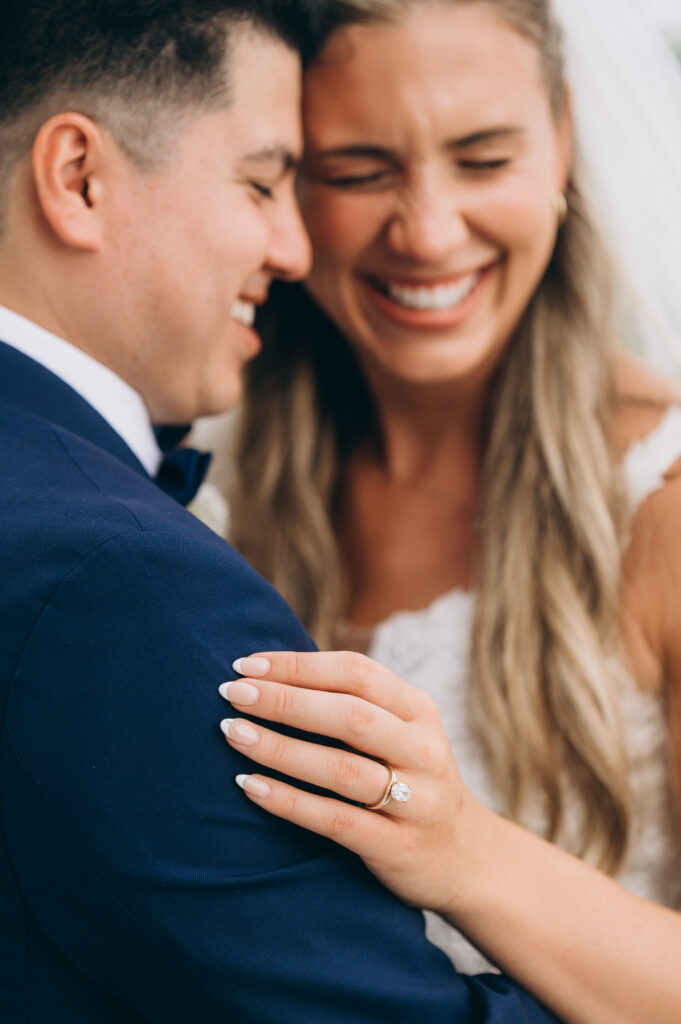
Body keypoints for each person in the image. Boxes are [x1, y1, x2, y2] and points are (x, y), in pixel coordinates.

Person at [0, 2, 560, 1022]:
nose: (294, 247)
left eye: (483, 157)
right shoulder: (123, 575)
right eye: (267, 182)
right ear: (78, 177)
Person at [206, 1, 681, 1022]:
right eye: (359, 169)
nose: (426, 231)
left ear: (561, 135)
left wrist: (462, 849)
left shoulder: (666, 503)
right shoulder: (215, 480)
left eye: (481, 159)